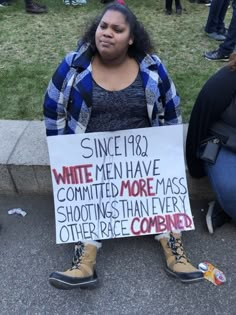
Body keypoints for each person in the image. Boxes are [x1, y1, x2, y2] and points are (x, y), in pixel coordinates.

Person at [43, 3, 204, 290]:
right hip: (91, 161)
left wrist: (166, 159)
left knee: (164, 197)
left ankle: (175, 251)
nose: (107, 33)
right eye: (103, 27)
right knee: (85, 202)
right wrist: (63, 155)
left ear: (131, 38)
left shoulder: (152, 68)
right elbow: (52, 108)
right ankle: (85, 262)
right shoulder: (73, 65)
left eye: (117, 29)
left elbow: (171, 110)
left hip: (140, 161)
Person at [186, 53, 236, 233]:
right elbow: (198, 123)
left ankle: (225, 208)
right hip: (225, 143)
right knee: (232, 189)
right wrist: (195, 169)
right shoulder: (225, 81)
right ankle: (226, 203)